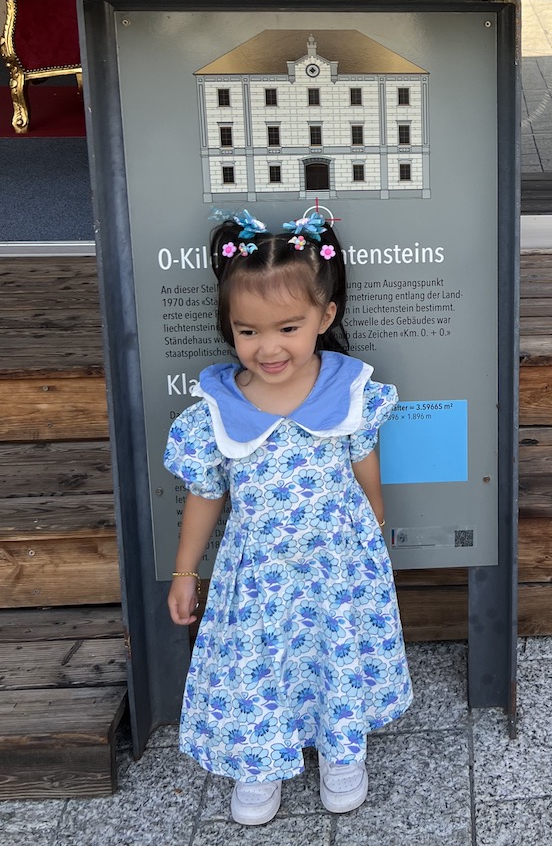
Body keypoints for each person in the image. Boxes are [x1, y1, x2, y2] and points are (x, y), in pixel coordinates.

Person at [164, 206, 412, 827]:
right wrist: (185, 572)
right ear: (229, 327)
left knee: (336, 652)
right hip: (258, 573)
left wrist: (376, 525)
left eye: (288, 327)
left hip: (336, 562)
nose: (268, 347)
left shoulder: (348, 392)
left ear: (325, 318)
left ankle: (342, 751)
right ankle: (259, 763)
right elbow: (205, 495)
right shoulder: (217, 410)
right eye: (248, 330)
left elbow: (365, 464)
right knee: (257, 662)